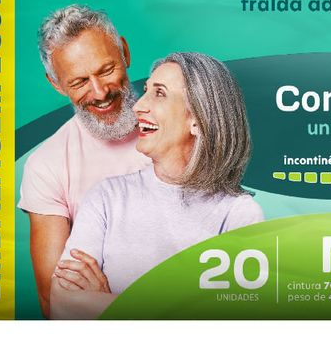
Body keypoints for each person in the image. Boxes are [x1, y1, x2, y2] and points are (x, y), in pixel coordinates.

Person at [50, 52, 264, 320]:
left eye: (160, 93)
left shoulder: (239, 214)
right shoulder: (106, 198)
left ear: (197, 119)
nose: (138, 106)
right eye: (146, 90)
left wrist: (108, 303)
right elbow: (61, 304)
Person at [19, 5, 149, 317]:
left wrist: (102, 301)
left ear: (125, 52)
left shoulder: (185, 129)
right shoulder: (47, 165)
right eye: (79, 82)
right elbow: (54, 302)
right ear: (56, 84)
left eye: (106, 70)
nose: (100, 92)